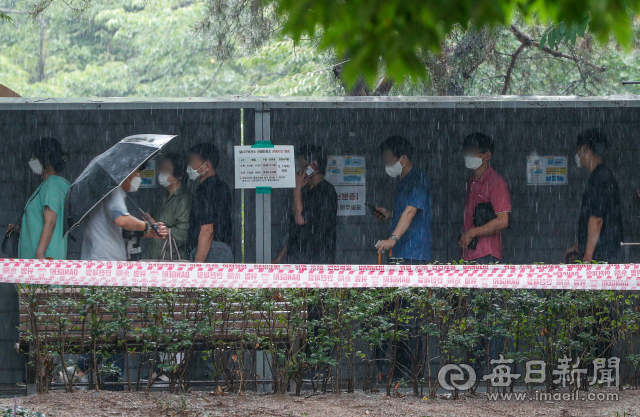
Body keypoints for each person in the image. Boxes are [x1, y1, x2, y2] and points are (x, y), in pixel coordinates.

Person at [81, 162, 167, 261]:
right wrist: (146, 226)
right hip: (106, 259)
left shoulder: (103, 189)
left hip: (97, 257)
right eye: (137, 173)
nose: (139, 177)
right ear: (127, 173)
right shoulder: (114, 191)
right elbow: (122, 220)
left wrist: (147, 232)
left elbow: (115, 227)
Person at [565, 128, 623, 263]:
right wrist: (579, 246)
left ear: (585, 149)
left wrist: (588, 255)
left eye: (577, 150)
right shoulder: (603, 175)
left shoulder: (599, 177)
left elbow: (597, 220)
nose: (576, 155)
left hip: (601, 257)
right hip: (607, 253)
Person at [273, 144, 337, 264]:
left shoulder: (325, 191)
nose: (298, 170)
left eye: (302, 166)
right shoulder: (304, 192)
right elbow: (296, 233)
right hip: (298, 259)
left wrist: (296, 189)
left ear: (313, 167)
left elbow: (301, 220)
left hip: (316, 261)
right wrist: (279, 258)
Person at [375, 136, 432, 265]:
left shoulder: (419, 179)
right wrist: (390, 215)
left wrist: (392, 239)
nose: (387, 166)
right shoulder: (403, 181)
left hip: (413, 253)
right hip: (398, 251)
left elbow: (410, 211)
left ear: (404, 159)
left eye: (389, 161)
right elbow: (408, 213)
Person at [458, 132, 511, 264]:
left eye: (474, 152)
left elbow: (503, 221)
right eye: (467, 152)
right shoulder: (471, 182)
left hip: (486, 254)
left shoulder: (496, 182)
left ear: (487, 155)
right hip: (469, 254)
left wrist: (472, 233)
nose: (469, 156)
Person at [14, 137, 71, 260]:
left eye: (34, 157)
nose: (32, 161)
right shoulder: (55, 185)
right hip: (36, 263)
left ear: (45, 159)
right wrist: (22, 230)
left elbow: (50, 221)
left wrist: (40, 255)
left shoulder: (52, 184)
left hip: (42, 263)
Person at [186, 143, 234, 263]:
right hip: (222, 250)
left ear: (207, 166)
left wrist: (198, 264)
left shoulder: (205, 190)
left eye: (192, 162)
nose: (189, 167)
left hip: (210, 253)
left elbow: (207, 230)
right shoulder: (222, 187)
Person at [146, 153, 192, 260]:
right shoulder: (164, 196)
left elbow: (182, 235)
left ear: (179, 175)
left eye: (166, 170)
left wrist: (157, 226)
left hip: (170, 260)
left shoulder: (183, 199)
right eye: (161, 169)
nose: (161, 173)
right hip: (157, 257)